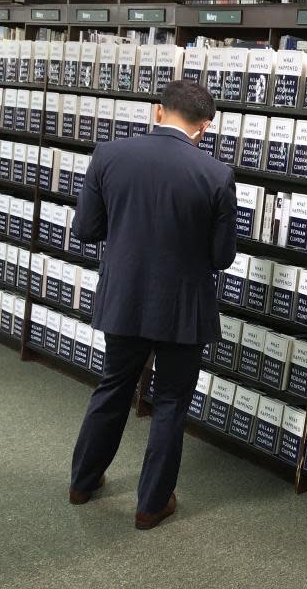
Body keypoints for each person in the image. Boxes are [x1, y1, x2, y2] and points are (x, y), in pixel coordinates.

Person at [68, 81, 237, 530]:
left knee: (113, 386)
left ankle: (82, 483)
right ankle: (151, 505)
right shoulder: (216, 174)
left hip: (124, 297)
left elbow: (85, 229)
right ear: (204, 127)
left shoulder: (108, 155)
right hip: (184, 308)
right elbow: (222, 257)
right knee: (170, 402)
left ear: (158, 112)